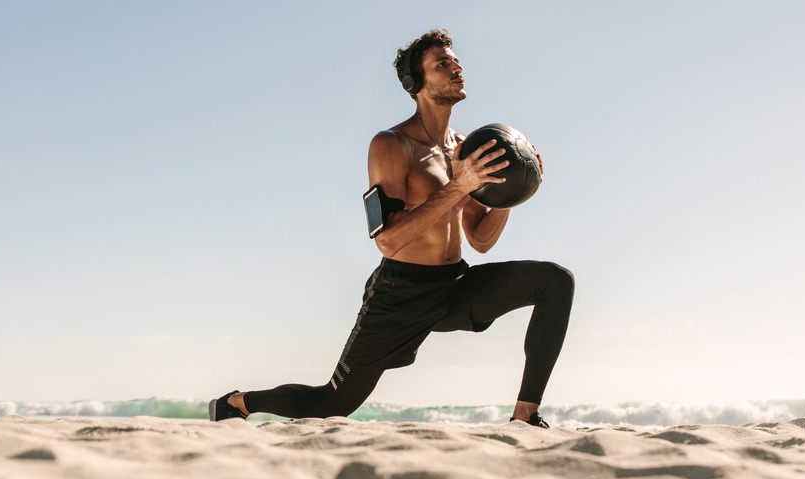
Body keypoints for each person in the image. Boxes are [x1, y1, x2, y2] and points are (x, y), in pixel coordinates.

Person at [209, 29, 574, 428]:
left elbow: (480, 240)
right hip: (400, 292)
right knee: (334, 401)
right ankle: (239, 403)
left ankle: (525, 415)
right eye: (442, 64)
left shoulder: (463, 149)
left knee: (555, 281)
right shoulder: (391, 145)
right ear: (414, 84)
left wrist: (513, 191)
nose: (457, 67)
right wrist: (459, 186)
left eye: (455, 60)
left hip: (452, 285)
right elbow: (387, 240)